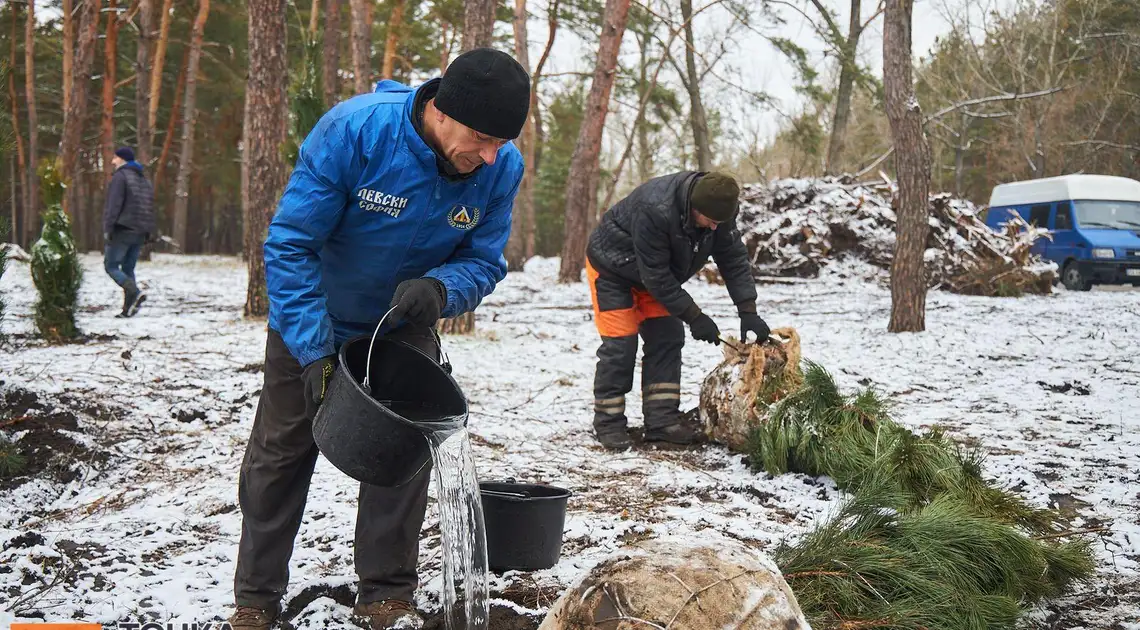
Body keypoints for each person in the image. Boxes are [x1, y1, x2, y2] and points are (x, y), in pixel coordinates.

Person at [228, 48, 529, 630]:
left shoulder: (500, 166)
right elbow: (290, 246)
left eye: (501, 144)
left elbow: (485, 261)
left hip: (401, 328)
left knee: (404, 453)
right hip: (312, 317)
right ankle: (256, 599)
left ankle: (386, 595)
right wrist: (313, 350)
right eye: (483, 138)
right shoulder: (356, 131)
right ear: (444, 111)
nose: (491, 156)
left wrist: (442, 291)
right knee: (280, 456)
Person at [585, 171, 771, 450]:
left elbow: (733, 259)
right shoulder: (655, 209)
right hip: (613, 271)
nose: (713, 228)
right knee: (621, 346)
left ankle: (661, 422)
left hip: (655, 277)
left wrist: (748, 311)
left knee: (668, 338)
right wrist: (695, 317)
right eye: (709, 221)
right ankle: (609, 422)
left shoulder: (720, 211)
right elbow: (657, 277)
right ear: (693, 208)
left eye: (719, 223)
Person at [102, 146, 155, 317]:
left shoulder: (121, 176)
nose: (113, 161)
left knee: (111, 265)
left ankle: (134, 291)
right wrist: (148, 232)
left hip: (123, 228)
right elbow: (149, 207)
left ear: (123, 159)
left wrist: (108, 227)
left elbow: (114, 205)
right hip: (140, 231)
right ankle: (128, 310)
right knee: (128, 268)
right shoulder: (144, 179)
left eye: (115, 158)